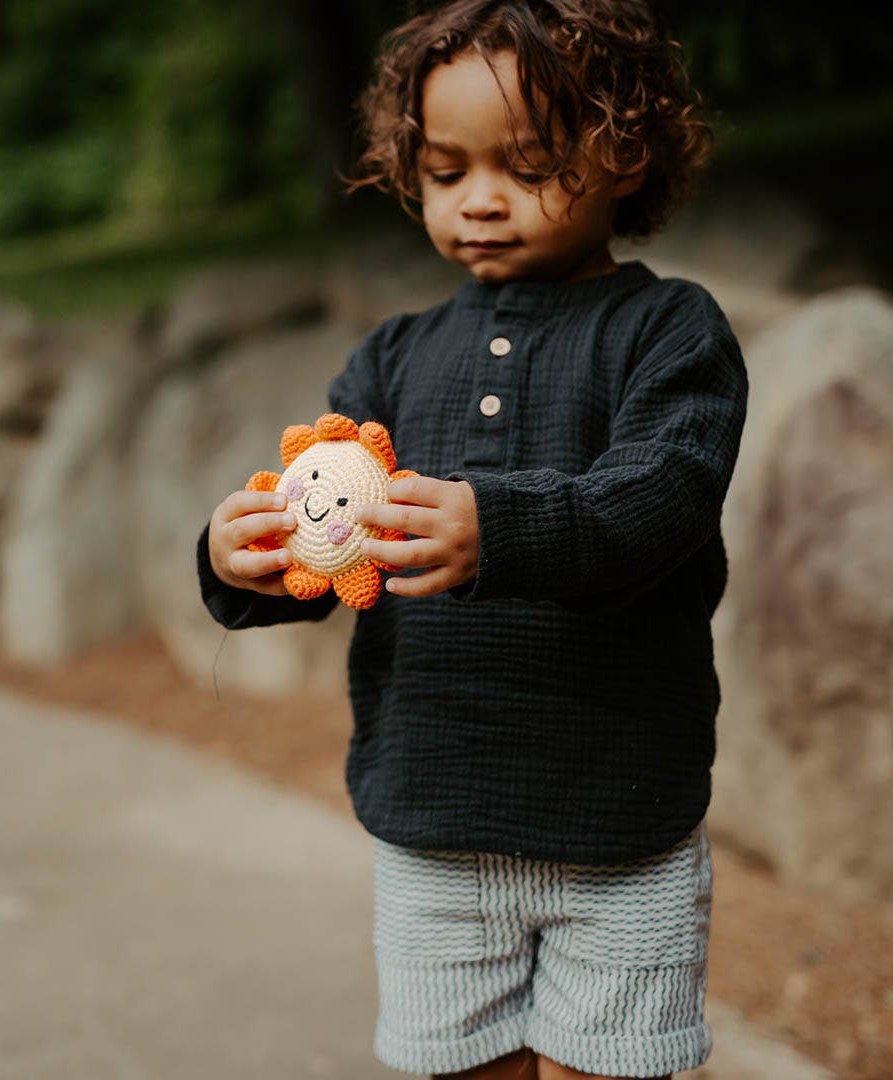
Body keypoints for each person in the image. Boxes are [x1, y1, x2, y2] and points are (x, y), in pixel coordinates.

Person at [197, 1, 748, 1077]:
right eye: (446, 173)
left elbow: (663, 501)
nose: (480, 202)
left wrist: (497, 530)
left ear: (624, 154)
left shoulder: (670, 334)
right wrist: (248, 560)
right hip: (432, 818)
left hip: (617, 824)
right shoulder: (392, 361)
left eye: (530, 163)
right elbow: (333, 546)